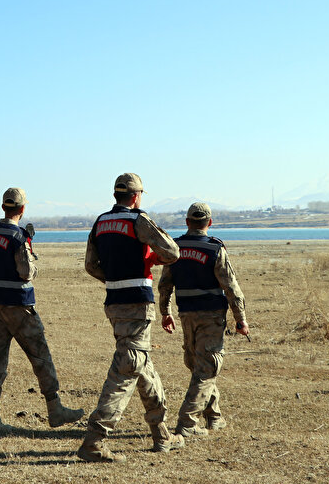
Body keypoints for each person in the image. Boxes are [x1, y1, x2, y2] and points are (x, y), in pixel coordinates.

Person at [78, 173, 184, 462]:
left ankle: (161, 433)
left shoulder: (100, 222)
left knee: (141, 364)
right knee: (129, 367)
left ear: (116, 195)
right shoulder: (138, 220)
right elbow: (172, 251)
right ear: (136, 196)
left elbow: (90, 264)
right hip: (137, 303)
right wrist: (151, 260)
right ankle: (95, 440)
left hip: (114, 302)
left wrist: (114, 278)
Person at [0, 187, 85, 436]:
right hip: (20, 307)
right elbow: (26, 272)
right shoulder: (19, 237)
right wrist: (33, 256)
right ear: (23, 209)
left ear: (3, 207)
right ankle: (55, 410)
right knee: (41, 357)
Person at [158, 202, 249, 438]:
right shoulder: (215, 249)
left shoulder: (175, 247)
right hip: (211, 315)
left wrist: (165, 312)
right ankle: (187, 423)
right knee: (207, 368)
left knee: (199, 365)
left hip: (186, 314)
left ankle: (214, 416)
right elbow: (231, 288)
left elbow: (165, 283)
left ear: (187, 222)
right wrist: (241, 320)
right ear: (209, 223)